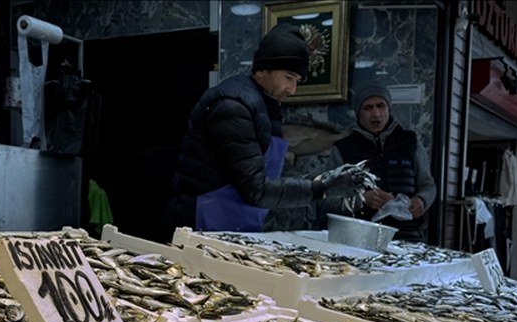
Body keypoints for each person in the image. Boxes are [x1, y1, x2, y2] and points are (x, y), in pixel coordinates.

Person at [162, 25, 365, 239]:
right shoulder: (233, 106)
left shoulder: (265, 107)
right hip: (200, 225)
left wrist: (324, 180)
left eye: (297, 80)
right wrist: (322, 187)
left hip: (233, 225)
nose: (293, 89)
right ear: (262, 69)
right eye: (289, 77)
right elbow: (256, 189)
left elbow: (263, 175)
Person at [332, 84, 436, 242]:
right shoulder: (343, 148)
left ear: (389, 108)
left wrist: (422, 200)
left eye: (381, 106)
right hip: (360, 239)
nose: (376, 113)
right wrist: (361, 199)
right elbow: (327, 198)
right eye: (368, 108)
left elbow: (428, 185)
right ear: (358, 113)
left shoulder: (410, 141)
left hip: (408, 238)